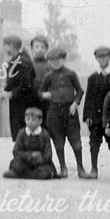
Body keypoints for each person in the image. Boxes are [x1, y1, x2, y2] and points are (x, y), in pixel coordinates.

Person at [40, 47, 89, 179]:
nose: (55, 63)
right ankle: (63, 168)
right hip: (54, 111)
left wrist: (75, 103)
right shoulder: (48, 76)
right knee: (58, 142)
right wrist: (47, 95)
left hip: (70, 111)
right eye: (52, 60)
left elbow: (79, 90)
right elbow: (40, 92)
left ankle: (81, 168)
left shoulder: (70, 74)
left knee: (76, 142)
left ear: (63, 59)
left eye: (58, 60)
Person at [0, 35, 39, 142]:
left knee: (24, 136)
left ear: (11, 46)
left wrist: (11, 93)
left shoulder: (23, 62)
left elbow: (26, 85)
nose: (3, 48)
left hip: (25, 105)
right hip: (17, 105)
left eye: (5, 45)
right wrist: (5, 91)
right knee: (19, 137)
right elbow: (13, 82)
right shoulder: (14, 61)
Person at [83, 46, 110, 179]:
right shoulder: (93, 77)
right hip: (95, 117)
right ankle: (94, 169)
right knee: (94, 143)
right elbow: (88, 98)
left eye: (105, 56)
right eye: (99, 57)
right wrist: (87, 116)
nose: (102, 59)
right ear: (96, 59)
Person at [3, 107, 56, 180]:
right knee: (16, 165)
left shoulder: (44, 134)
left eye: (33, 120)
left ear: (40, 121)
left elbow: (48, 154)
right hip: (25, 161)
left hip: (40, 163)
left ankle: (22, 175)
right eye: (28, 119)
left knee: (45, 173)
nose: (30, 122)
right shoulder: (22, 133)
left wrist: (38, 159)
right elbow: (16, 151)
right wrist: (30, 155)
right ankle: (28, 174)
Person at [30, 35, 51, 120]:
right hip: (32, 102)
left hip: (47, 103)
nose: (39, 49)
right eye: (37, 46)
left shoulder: (50, 66)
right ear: (32, 48)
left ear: (46, 49)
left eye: (42, 47)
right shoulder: (28, 65)